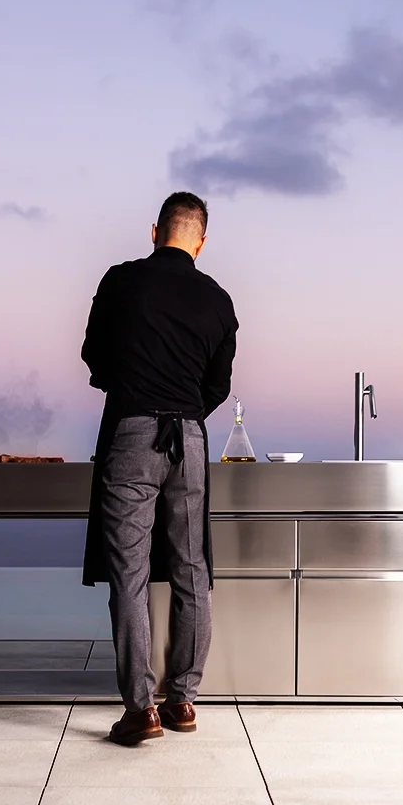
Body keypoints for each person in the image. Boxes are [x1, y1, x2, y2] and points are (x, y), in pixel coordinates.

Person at [81, 191, 238, 745]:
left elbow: (93, 357)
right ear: (200, 240)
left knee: (130, 573)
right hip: (189, 439)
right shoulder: (219, 301)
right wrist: (186, 409)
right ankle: (184, 700)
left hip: (132, 433)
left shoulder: (120, 282)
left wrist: (132, 387)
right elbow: (217, 385)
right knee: (193, 568)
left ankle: (140, 710)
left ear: (155, 231)